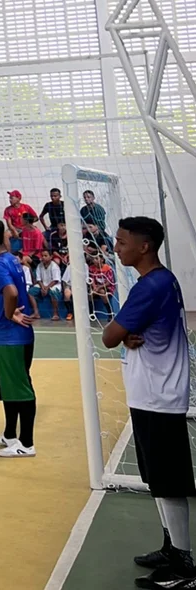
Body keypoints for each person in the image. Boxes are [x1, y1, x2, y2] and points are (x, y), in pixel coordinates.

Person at [100, 217, 195, 590]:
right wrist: (126, 336)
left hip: (158, 397)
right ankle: (172, 546)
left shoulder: (150, 286)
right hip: (152, 395)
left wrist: (121, 335)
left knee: (168, 481)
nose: (117, 247)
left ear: (144, 246)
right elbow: (125, 334)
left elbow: (110, 335)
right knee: (158, 478)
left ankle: (185, 565)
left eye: (122, 242)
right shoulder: (162, 280)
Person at [0, 218, 37, 458]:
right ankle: (10, 434)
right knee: (9, 387)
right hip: (14, 336)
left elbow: (10, 292)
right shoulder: (11, 258)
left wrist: (10, 313)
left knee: (21, 389)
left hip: (10, 336)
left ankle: (27, 443)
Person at [31, 249, 62, 320]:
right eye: (42, 256)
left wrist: (46, 288)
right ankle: (36, 313)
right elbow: (38, 279)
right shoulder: (39, 265)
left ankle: (55, 314)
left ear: (51, 257)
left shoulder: (54, 266)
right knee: (31, 292)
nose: (43, 257)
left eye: (45, 256)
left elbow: (55, 280)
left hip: (54, 285)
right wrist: (43, 288)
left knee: (53, 292)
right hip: (42, 284)